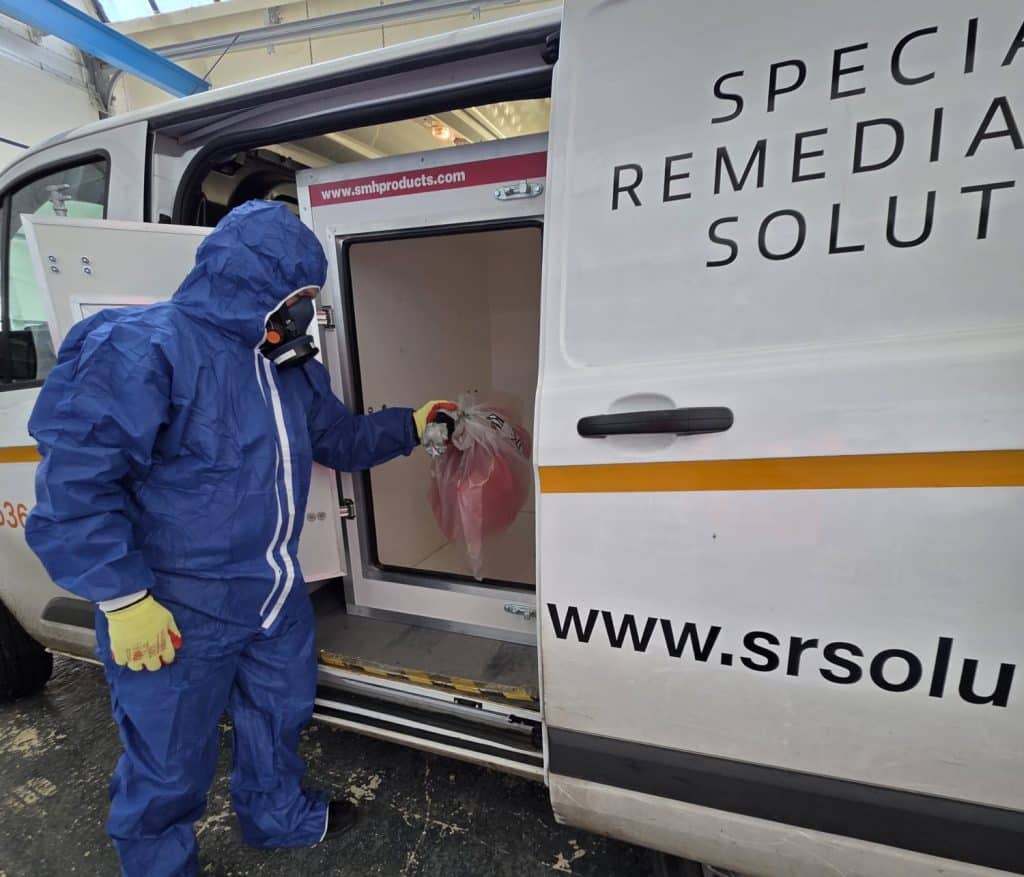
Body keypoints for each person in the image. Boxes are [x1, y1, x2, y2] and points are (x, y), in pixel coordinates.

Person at [25, 200, 456, 877]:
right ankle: (160, 864)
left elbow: (337, 439)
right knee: (168, 758)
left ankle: (277, 817)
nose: (301, 313)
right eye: (296, 296)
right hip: (172, 603)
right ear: (248, 278)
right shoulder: (144, 346)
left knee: (277, 717)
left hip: (270, 592)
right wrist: (120, 595)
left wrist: (411, 423)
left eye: (309, 299)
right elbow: (77, 482)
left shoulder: (286, 368)